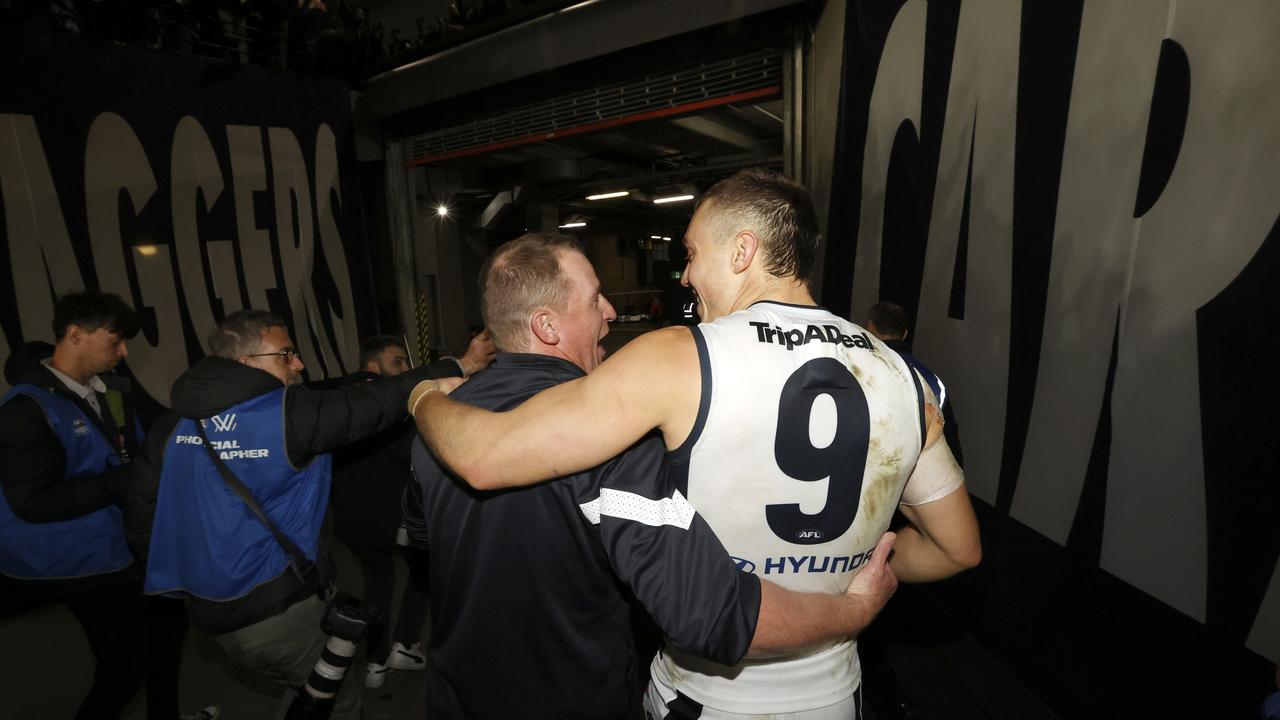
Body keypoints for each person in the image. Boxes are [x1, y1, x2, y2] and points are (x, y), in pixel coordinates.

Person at [411, 171, 982, 719]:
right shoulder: (907, 382)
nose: (684, 276)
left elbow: (486, 456)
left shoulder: (678, 359)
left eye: (691, 253)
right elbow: (959, 550)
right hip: (835, 692)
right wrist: (860, 572)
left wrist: (424, 398)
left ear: (741, 252)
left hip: (707, 695)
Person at [123, 309, 463, 720]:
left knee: (305, 691)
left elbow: (142, 517)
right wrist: (453, 368)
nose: (298, 363)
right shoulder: (289, 414)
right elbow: (374, 404)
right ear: (245, 362)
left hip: (209, 613)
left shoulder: (171, 424)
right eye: (285, 355)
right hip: (282, 611)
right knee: (335, 702)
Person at [0, 291, 217, 720]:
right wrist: (127, 479)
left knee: (168, 628)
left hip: (124, 541)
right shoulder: (23, 411)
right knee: (124, 668)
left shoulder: (112, 389)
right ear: (76, 334)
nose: (124, 352)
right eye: (115, 340)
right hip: (78, 560)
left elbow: (128, 453)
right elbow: (33, 504)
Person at [330, 332, 494, 688]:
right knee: (423, 576)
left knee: (378, 584)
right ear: (372, 367)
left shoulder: (340, 404)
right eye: (397, 363)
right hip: (390, 519)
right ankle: (404, 644)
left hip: (350, 522)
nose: (405, 369)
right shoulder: (386, 409)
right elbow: (414, 453)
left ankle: (375, 663)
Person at [866, 301, 964, 466]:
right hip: (913, 475)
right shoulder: (932, 382)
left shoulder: (860, 367)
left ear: (869, 327)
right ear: (904, 334)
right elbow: (951, 451)